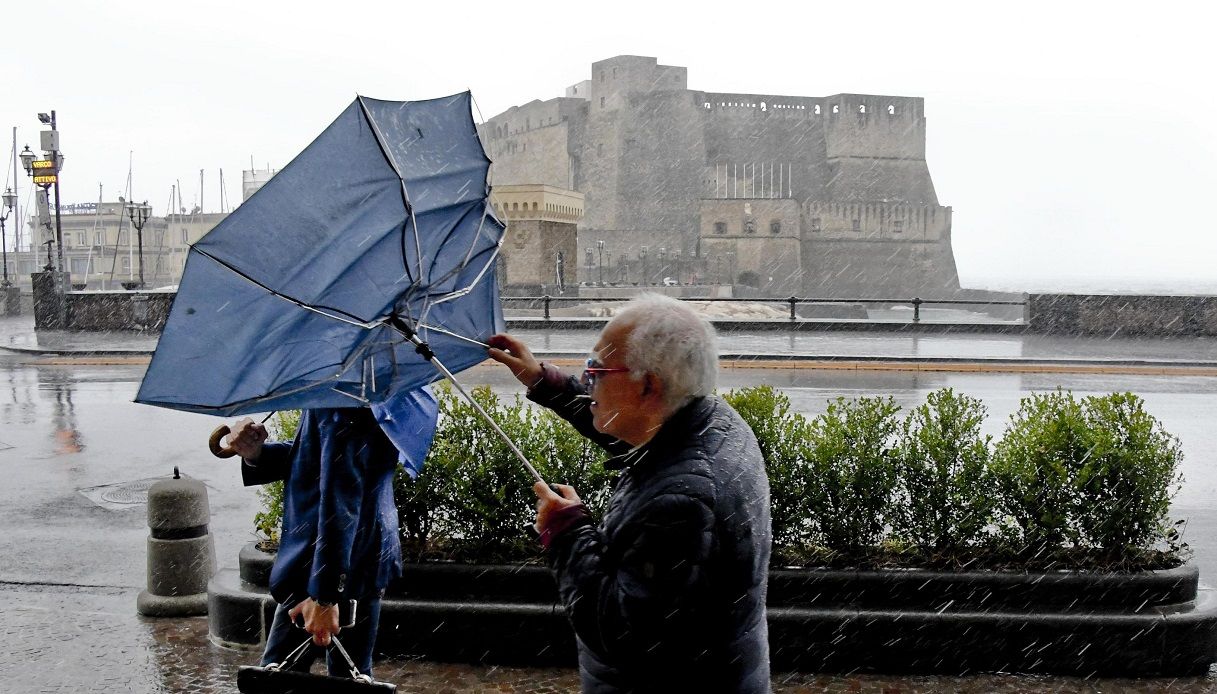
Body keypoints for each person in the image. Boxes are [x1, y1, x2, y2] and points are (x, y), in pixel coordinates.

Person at [487, 293, 772, 692]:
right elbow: (629, 428)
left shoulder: (683, 501)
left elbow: (620, 635)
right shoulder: (708, 423)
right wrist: (541, 379)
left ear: (648, 386)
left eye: (597, 369)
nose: (588, 380)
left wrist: (567, 535)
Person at [225, 394, 435, 678]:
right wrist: (256, 454)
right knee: (350, 677)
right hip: (358, 558)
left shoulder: (344, 397)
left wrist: (325, 596)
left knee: (277, 679)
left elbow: (342, 493)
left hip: (326, 564)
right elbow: (321, 456)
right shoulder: (373, 389)